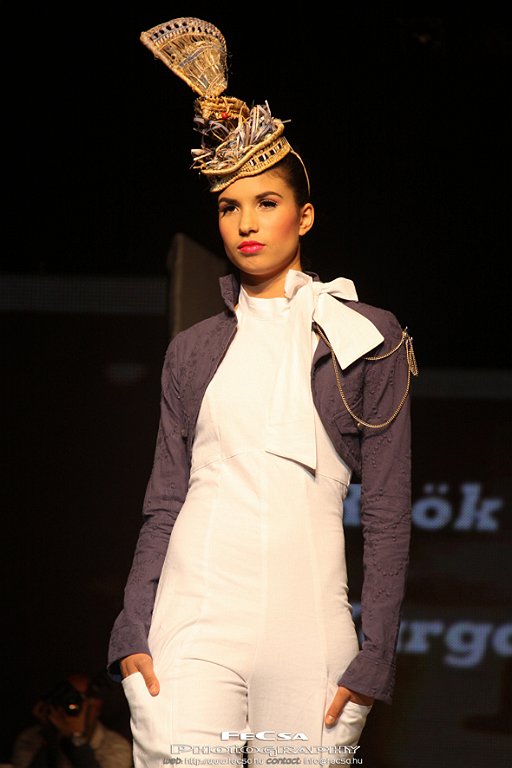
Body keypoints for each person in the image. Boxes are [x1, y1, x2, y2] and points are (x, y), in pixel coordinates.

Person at [107, 16, 417, 768]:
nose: (246, 222)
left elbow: (386, 511)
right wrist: (131, 630)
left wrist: (376, 653)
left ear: (303, 215)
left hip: (309, 626)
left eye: (267, 202)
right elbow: (164, 502)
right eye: (229, 206)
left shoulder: (367, 336)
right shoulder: (192, 351)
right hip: (191, 619)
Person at [10, 672, 133, 768]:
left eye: (75, 700)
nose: (67, 706)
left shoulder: (115, 746)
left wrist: (76, 740)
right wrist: (49, 739)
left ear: (95, 707)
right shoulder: (30, 738)